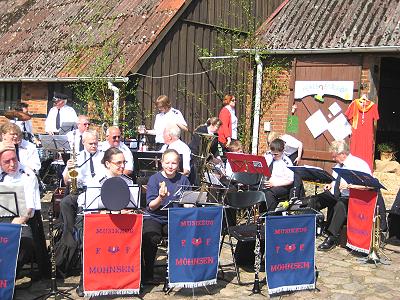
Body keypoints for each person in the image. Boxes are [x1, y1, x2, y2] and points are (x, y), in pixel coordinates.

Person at [308, 140, 386, 251]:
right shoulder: (338, 165)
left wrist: (350, 186)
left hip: (353, 197)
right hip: (336, 193)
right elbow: (335, 180)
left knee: (340, 205)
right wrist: (330, 185)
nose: (333, 159)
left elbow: (370, 186)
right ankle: (312, 229)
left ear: (343, 154)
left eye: (335, 156)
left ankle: (332, 237)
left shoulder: (359, 164)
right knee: (314, 200)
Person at [0, 141, 50, 277]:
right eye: (6, 162)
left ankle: (8, 278)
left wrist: (13, 226)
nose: (12, 164)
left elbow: (29, 208)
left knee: (26, 243)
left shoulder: (28, 175)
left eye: (14, 159)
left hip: (20, 219)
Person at [142, 149, 190, 282]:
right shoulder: (154, 179)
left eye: (174, 163)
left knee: (181, 235)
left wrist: (189, 204)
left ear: (178, 164)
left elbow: (187, 202)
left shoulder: (184, 180)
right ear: (162, 163)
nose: (170, 166)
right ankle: (148, 272)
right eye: (167, 162)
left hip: (174, 217)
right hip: (154, 216)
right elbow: (151, 206)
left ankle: (177, 270)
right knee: (150, 236)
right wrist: (160, 198)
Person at [262, 138, 294, 211]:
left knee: (269, 193)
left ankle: (272, 215)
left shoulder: (286, 162)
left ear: (282, 151)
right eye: (272, 153)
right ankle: (261, 215)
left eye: (276, 154)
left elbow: (290, 180)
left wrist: (274, 184)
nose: (274, 156)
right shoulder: (269, 157)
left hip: (282, 186)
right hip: (269, 183)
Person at [188, 117, 222, 185]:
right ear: (212, 124)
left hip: (206, 158)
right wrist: (209, 157)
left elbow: (215, 148)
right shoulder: (201, 130)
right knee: (196, 174)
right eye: (217, 127)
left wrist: (218, 157)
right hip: (196, 155)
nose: (218, 129)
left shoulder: (216, 135)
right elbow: (198, 145)